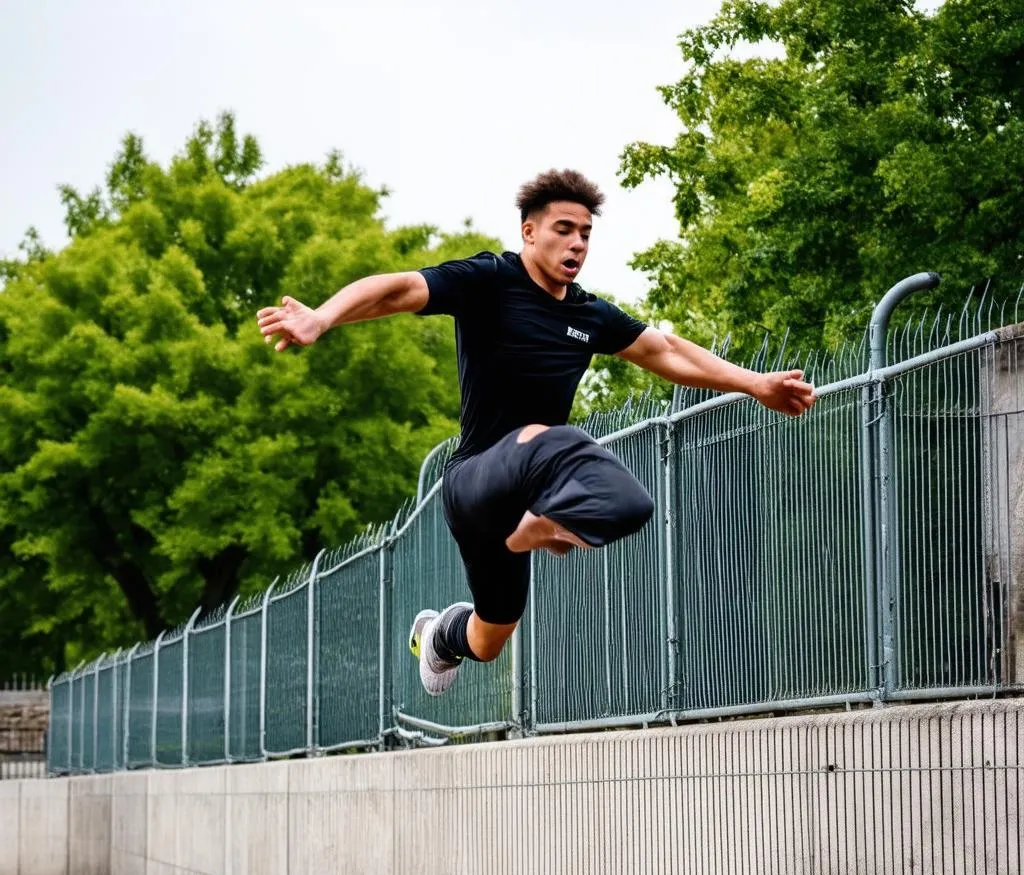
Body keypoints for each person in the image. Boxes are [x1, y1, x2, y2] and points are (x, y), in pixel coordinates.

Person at [257, 169, 816, 696]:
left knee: (494, 632)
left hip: (526, 490)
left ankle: (442, 634)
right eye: (563, 230)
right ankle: (545, 519)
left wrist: (754, 384)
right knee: (556, 439)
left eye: (586, 235)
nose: (577, 245)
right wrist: (323, 317)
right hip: (476, 478)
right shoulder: (490, 281)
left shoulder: (590, 315)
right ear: (529, 231)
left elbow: (665, 350)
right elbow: (399, 290)